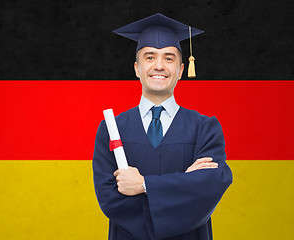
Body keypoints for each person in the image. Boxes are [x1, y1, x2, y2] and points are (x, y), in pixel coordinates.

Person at [92, 13, 232, 240]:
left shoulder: (205, 128)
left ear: (180, 70)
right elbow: (110, 201)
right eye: (150, 57)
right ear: (137, 69)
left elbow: (210, 187)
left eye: (168, 58)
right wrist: (186, 183)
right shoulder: (111, 128)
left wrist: (144, 185)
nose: (159, 66)